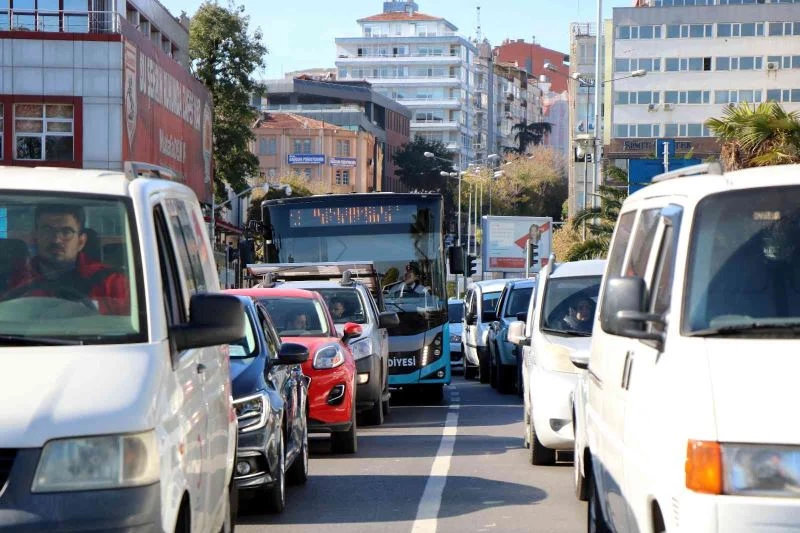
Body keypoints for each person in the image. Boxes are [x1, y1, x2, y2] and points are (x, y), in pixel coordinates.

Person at [4, 204, 129, 315]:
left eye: (66, 232)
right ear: (34, 237)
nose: (56, 240)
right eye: (47, 230)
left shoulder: (111, 283)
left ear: (81, 241)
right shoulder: (12, 280)